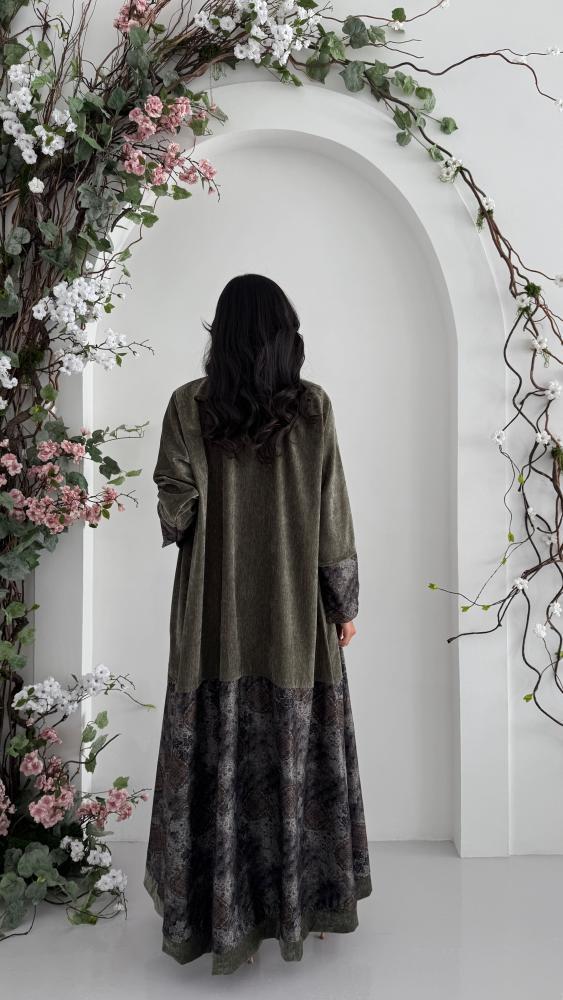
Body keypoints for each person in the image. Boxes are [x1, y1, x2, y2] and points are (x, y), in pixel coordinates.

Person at [143, 273, 372, 975]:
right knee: (299, 750)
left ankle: (219, 916)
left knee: (215, 753)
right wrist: (343, 602)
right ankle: (305, 905)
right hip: (293, 616)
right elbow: (332, 515)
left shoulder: (188, 405)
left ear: (221, 335)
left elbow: (174, 511)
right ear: (282, 336)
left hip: (213, 619)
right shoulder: (313, 408)